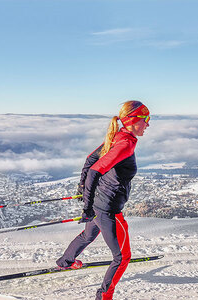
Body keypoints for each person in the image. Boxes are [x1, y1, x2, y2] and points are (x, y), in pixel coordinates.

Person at [56, 100, 150, 300]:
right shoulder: (124, 143)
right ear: (133, 121)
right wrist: (87, 206)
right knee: (122, 257)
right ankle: (104, 296)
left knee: (87, 236)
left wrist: (84, 190)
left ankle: (65, 261)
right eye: (146, 119)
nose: (148, 124)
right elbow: (94, 170)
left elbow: (90, 159)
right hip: (108, 210)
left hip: (99, 204)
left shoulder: (120, 136)